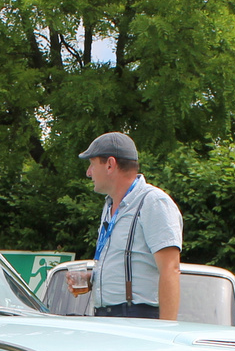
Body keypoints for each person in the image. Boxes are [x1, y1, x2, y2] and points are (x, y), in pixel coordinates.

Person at [78, 131, 183, 320]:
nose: (88, 172)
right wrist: (93, 279)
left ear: (110, 164)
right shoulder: (109, 205)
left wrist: (166, 333)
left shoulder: (153, 202)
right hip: (106, 317)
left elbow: (170, 269)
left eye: (92, 164)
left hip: (137, 317)